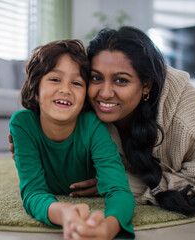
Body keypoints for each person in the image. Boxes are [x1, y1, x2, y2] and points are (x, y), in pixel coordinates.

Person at [9, 26, 195, 217]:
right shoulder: (82, 101)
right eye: (96, 78)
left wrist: (127, 183)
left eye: (121, 80)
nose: (104, 93)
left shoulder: (182, 114)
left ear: (146, 85)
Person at [9, 39, 135, 240]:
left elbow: (119, 191)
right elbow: (33, 193)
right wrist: (64, 213)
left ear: (85, 95)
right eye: (55, 79)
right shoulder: (22, 124)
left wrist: (108, 228)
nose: (66, 89)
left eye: (76, 83)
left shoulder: (92, 125)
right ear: (36, 86)